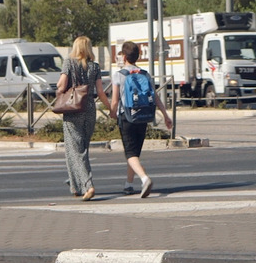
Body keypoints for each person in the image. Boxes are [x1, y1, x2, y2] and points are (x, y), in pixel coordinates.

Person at [109, 41, 173, 198]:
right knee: (134, 153)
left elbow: (115, 100)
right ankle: (129, 184)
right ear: (137, 56)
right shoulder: (145, 74)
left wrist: (111, 113)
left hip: (127, 117)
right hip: (143, 116)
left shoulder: (119, 75)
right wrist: (165, 115)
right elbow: (155, 96)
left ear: (124, 57)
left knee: (130, 153)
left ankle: (145, 179)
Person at [57, 36, 111, 201]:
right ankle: (75, 185)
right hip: (89, 111)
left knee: (76, 150)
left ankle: (88, 185)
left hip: (73, 110)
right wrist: (111, 109)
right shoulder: (95, 67)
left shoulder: (69, 63)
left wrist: (59, 91)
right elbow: (100, 92)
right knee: (81, 150)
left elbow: (61, 84)